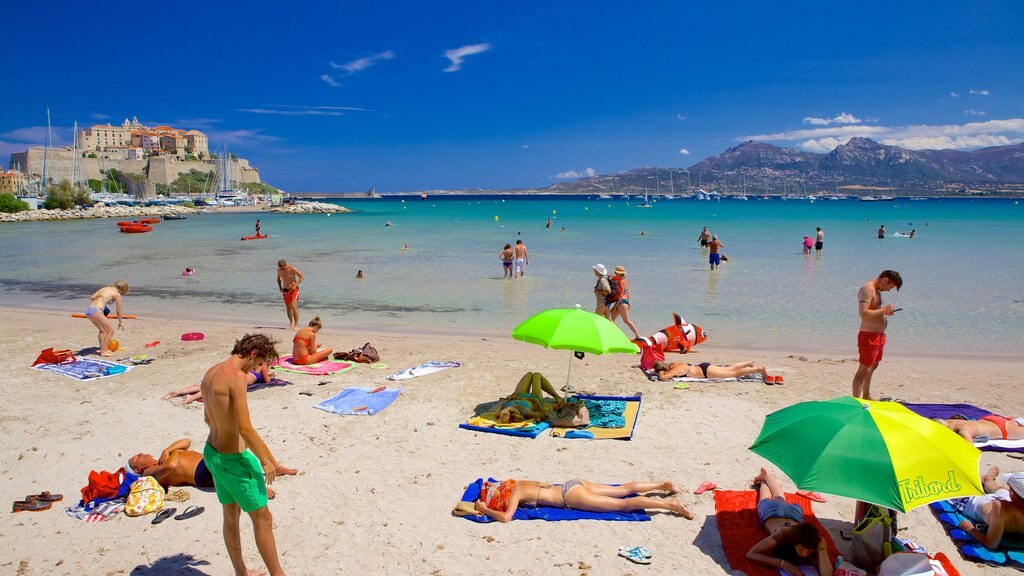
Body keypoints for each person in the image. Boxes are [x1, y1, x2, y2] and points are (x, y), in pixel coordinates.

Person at [200, 333, 288, 576]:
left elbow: (208, 418)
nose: (258, 368)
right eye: (259, 362)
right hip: (233, 461)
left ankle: (241, 572)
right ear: (252, 354)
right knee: (263, 519)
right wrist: (266, 461)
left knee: (231, 514)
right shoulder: (236, 378)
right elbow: (245, 427)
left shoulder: (211, 372)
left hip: (212, 454)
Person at [474, 478, 693, 523]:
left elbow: (505, 518)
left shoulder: (516, 495)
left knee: (623, 505)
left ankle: (670, 505)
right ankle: (663, 485)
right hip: (573, 483)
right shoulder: (519, 483)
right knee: (623, 489)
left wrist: (485, 509)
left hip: (570, 497)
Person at [127, 438, 296, 495]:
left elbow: (186, 441)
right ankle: (256, 484)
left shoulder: (163, 456)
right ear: (138, 469)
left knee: (236, 445)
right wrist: (175, 453)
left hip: (205, 464)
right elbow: (171, 466)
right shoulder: (150, 473)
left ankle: (274, 466)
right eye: (137, 458)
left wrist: (168, 449)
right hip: (200, 474)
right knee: (232, 455)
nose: (141, 453)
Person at [746, 468, 834, 576]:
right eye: (801, 549)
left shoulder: (816, 540)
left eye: (809, 551)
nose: (805, 554)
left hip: (793, 515)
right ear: (795, 541)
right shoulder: (783, 534)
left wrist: (822, 546)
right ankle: (764, 479)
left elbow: (827, 575)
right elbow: (751, 553)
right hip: (772, 513)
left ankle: (766, 477)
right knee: (766, 498)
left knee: (780, 498)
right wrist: (781, 563)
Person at [851, 270, 902, 400]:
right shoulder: (867, 289)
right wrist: (884, 309)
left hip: (879, 336)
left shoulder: (877, 291)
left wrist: (885, 313)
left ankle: (866, 395)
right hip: (869, 336)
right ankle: (857, 401)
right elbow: (863, 314)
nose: (889, 290)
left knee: (873, 366)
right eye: (890, 287)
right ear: (885, 280)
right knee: (863, 370)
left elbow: (873, 311)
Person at [953, 467, 1024, 550]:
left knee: (959, 480)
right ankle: (988, 479)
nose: (1009, 490)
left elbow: (991, 544)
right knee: (999, 490)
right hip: (1007, 501)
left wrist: (970, 529)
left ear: (1013, 494)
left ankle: (986, 480)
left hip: (977, 502)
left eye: (1011, 488)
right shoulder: (1005, 504)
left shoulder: (1000, 507)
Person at [162, 362, 273, 405]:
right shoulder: (263, 363)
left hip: (234, 376)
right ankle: (191, 398)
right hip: (241, 381)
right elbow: (267, 380)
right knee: (211, 388)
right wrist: (270, 375)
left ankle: (176, 392)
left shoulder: (249, 361)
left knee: (203, 386)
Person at [494, 371, 566, 424]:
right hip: (534, 398)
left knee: (529, 374)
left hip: (519, 395)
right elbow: (543, 414)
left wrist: (510, 398)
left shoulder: (503, 412)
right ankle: (557, 397)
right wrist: (535, 401)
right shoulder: (526, 413)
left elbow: (502, 406)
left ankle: (514, 393)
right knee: (537, 375)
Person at [84, 281, 130, 357]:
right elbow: (118, 310)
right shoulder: (117, 294)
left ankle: (103, 348)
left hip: (89, 310)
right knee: (110, 331)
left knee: (102, 330)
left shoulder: (105, 288)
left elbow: (92, 297)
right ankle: (104, 351)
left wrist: (103, 301)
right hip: (97, 311)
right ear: (122, 290)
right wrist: (120, 322)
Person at [653, 359, 771, 381]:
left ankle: (759, 369)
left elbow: (663, 378)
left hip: (705, 372)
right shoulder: (674, 364)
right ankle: (749, 363)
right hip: (703, 366)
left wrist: (660, 372)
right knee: (729, 368)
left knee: (733, 374)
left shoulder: (673, 370)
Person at [935, 415, 1024, 443]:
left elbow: (970, 448)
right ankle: (1016, 421)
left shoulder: (963, 431)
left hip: (1002, 429)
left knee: (1017, 428)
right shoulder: (948, 421)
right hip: (989, 419)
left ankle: (1017, 421)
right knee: (1013, 423)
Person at [607, 265, 641, 339]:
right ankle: (613, 336)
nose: (614, 273)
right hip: (624, 301)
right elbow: (627, 293)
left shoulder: (620, 282)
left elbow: (621, 294)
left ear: (617, 273)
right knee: (610, 320)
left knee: (626, 321)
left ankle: (638, 335)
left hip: (621, 302)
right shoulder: (625, 281)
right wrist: (628, 303)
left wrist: (615, 306)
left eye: (615, 272)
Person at [276, 259, 304, 330]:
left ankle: (296, 324)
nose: (283, 270)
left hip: (293, 289)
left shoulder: (292, 268)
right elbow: (278, 278)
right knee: (288, 307)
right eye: (281, 268)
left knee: (294, 306)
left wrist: (296, 284)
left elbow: (301, 276)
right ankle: (291, 322)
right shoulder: (279, 270)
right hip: (285, 289)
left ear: (286, 265)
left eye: (284, 268)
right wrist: (280, 287)